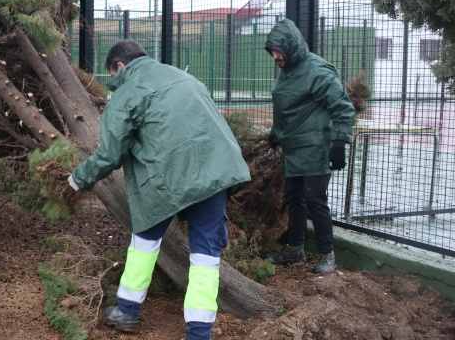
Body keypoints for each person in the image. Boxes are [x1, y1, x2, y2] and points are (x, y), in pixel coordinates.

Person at [67, 40, 250, 339]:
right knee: (205, 256)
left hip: (169, 179)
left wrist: (77, 179)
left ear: (120, 67)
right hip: (216, 171)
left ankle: (126, 312)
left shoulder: (126, 94)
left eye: (113, 76)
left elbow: (111, 155)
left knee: (144, 242)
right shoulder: (184, 77)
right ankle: (200, 333)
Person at [264, 18, 356, 275]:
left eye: (278, 52)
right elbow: (286, 107)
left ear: (291, 47)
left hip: (315, 148)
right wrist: (276, 132)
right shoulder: (288, 69)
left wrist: (339, 143)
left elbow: (343, 108)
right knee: (294, 199)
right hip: (293, 148)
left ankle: (328, 255)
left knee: (315, 200)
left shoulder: (317, 70)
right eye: (272, 52)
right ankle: (295, 249)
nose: (275, 57)